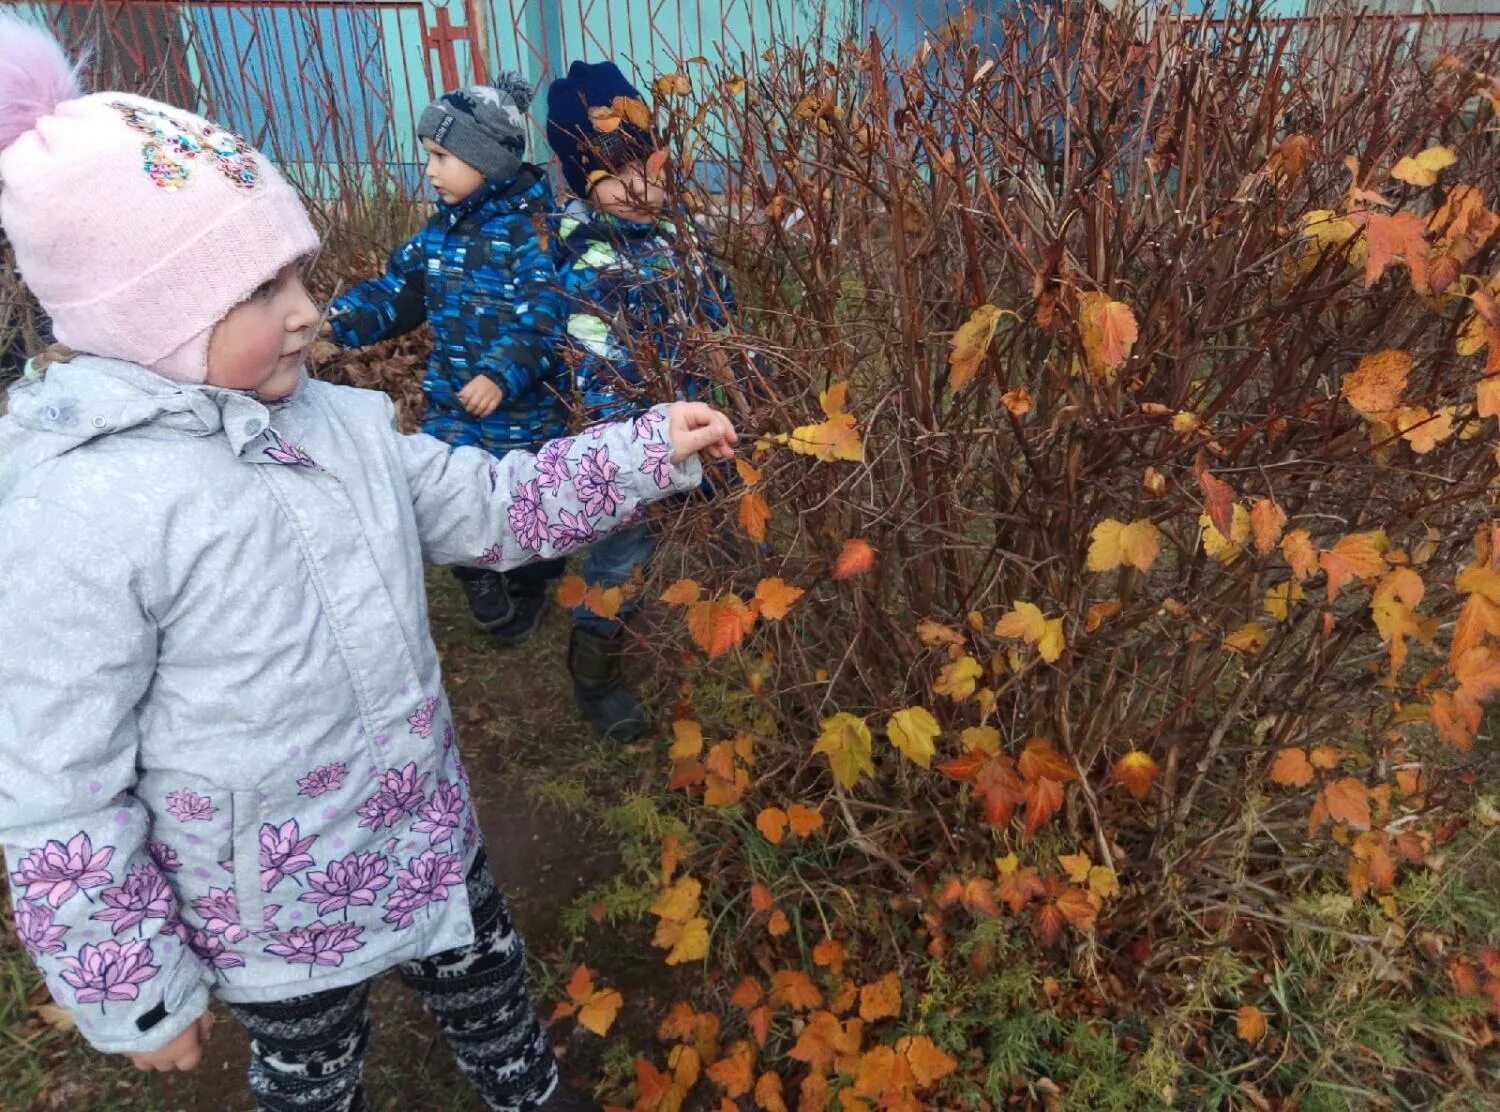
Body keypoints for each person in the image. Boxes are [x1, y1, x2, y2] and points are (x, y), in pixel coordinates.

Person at [0, 18, 736, 1111]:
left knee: (492, 984)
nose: (306, 310)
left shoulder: (343, 427)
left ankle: (527, 1091)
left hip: (426, 826)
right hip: (271, 902)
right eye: (259, 292)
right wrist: (131, 983)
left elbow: (492, 501)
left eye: (296, 275)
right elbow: (59, 780)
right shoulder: (85, 511)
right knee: (311, 1065)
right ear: (145, 318)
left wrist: (640, 453)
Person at [327, 74, 569, 646]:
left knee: (521, 499)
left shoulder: (530, 235)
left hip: (519, 413)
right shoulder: (439, 233)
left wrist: (500, 373)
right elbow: (397, 293)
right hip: (451, 404)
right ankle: (477, 575)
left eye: (441, 155)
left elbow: (546, 317)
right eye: (429, 156)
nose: (430, 170)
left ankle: (530, 581)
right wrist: (334, 325)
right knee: (457, 497)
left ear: (487, 160)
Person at [546, 60, 742, 741]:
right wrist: (635, 451)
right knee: (619, 566)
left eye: (644, 167)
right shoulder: (592, 265)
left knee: (728, 532)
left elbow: (717, 307)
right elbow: (596, 374)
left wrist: (731, 362)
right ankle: (594, 676)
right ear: (583, 183)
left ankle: (731, 639)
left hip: (704, 424)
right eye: (608, 177)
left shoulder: (681, 233)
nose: (635, 188)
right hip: (635, 450)